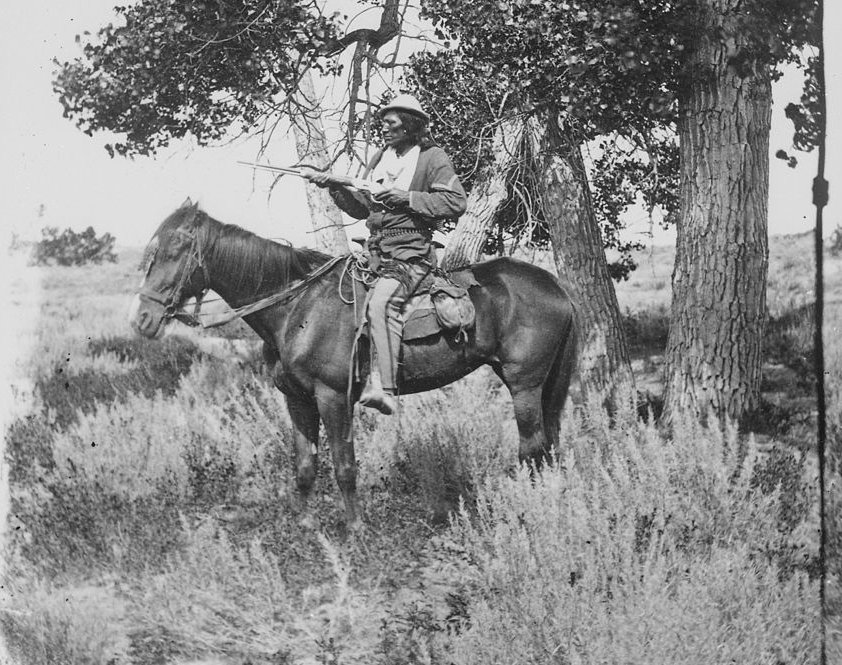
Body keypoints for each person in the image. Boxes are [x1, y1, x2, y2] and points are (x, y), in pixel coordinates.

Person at [304, 94, 467, 415]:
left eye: (391, 124)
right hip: (375, 252)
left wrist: (407, 198)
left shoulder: (432, 158)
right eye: (383, 124)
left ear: (410, 126)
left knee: (381, 305)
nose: (385, 129)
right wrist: (334, 186)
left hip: (412, 255)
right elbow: (362, 207)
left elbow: (455, 203)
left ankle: (387, 389)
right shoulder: (380, 157)